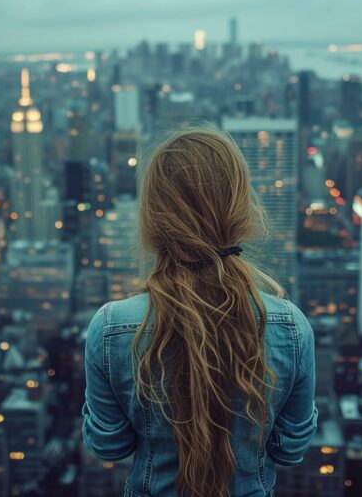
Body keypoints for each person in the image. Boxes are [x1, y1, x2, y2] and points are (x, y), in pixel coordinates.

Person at [81, 126, 318, 497]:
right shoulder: (291, 328)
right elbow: (290, 449)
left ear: (155, 215)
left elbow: (108, 445)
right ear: (239, 208)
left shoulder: (111, 328)